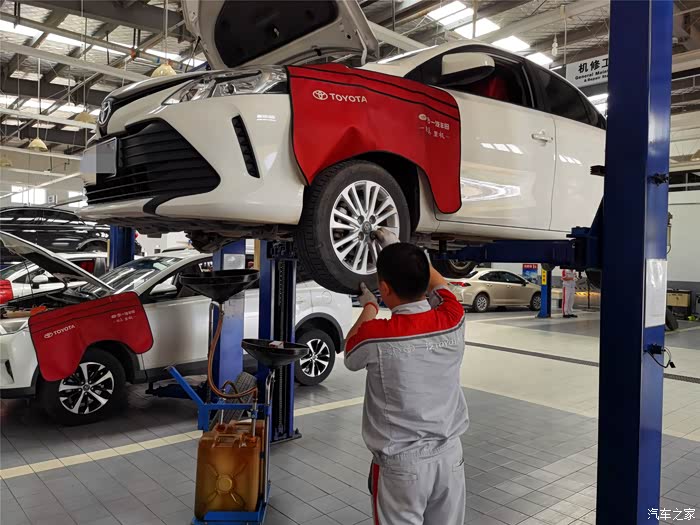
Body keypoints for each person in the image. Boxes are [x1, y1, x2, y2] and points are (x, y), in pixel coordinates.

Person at [344, 229, 468, 525]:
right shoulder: (453, 317)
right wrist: (402, 247)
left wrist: (369, 307)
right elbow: (440, 283)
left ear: (384, 288)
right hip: (450, 457)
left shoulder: (375, 335)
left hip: (402, 468)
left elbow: (349, 354)